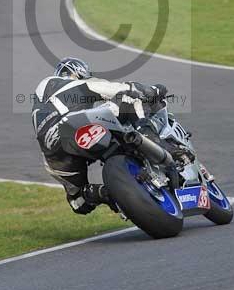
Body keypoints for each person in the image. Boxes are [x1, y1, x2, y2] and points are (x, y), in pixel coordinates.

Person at [30, 57, 167, 215]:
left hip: (51, 154)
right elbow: (116, 89)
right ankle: (151, 139)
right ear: (78, 72)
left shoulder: (43, 100)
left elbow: (79, 206)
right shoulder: (67, 83)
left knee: (79, 200)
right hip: (72, 125)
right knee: (130, 98)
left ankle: (105, 193)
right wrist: (151, 91)